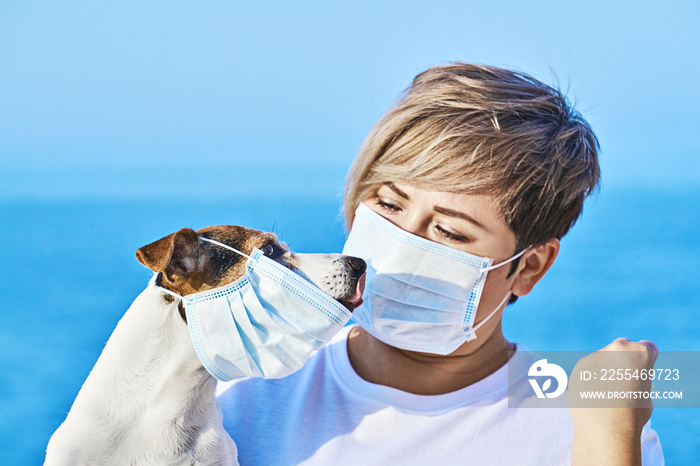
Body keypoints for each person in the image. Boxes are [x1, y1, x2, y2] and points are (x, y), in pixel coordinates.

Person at [216, 63, 663, 465]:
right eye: (388, 204)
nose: (398, 245)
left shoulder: (592, 431)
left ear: (530, 267)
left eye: (449, 232)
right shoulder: (235, 389)